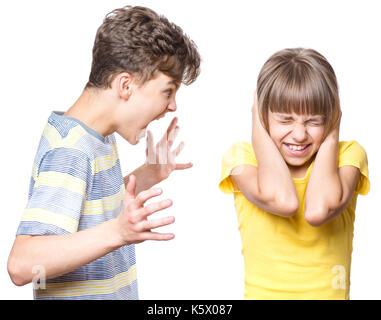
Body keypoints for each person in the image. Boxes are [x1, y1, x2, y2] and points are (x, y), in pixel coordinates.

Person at [7, 5, 200, 300]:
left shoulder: (96, 136)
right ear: (125, 85)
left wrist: (148, 174)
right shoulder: (69, 150)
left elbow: (87, 209)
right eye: (168, 90)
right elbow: (21, 266)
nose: (172, 106)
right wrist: (118, 233)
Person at [219, 48, 369, 300]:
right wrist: (257, 123)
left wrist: (332, 131)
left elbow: (317, 211)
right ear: (261, 114)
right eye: (285, 120)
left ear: (332, 118)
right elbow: (284, 202)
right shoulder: (242, 160)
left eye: (314, 121)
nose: (299, 135)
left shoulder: (348, 157)